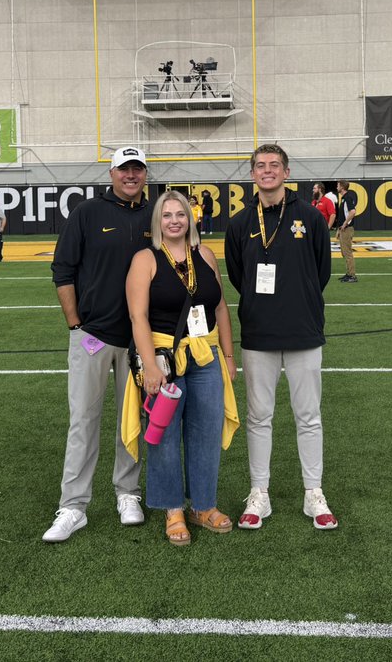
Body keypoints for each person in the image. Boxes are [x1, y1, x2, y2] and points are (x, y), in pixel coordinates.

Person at [225, 144, 337, 531]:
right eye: (260, 166)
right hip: (259, 332)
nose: (267, 171)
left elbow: (321, 270)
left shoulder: (309, 216)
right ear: (252, 174)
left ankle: (313, 493)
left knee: (309, 417)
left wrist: (299, 298)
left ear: (287, 173)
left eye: (275, 165)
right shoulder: (240, 223)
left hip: (304, 329)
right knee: (259, 417)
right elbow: (239, 277)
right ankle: (260, 493)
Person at [43, 146, 151, 544]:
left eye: (138, 169)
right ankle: (73, 505)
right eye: (124, 169)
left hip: (141, 340)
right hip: (93, 336)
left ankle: (128, 494)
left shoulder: (154, 214)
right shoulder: (87, 213)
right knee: (83, 421)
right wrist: (75, 324)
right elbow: (63, 269)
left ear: (145, 174)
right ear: (111, 173)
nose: (131, 175)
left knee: (132, 422)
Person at [124, 191, 237, 546]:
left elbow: (219, 308)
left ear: (191, 218)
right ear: (158, 222)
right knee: (165, 435)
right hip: (163, 358)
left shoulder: (205, 254)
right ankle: (173, 509)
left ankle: (203, 506)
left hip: (205, 356)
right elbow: (137, 316)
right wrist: (151, 367)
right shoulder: (146, 259)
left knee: (206, 432)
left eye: (181, 214)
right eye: (167, 215)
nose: (175, 220)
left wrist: (229, 358)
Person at [335, 180, 358, 283]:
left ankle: (352, 275)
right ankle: (348, 273)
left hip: (347, 229)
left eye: (338, 185)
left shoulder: (347, 198)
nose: (337, 187)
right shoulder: (344, 198)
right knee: (345, 252)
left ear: (342, 187)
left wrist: (344, 224)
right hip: (343, 229)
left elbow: (352, 212)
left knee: (347, 253)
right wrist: (339, 229)